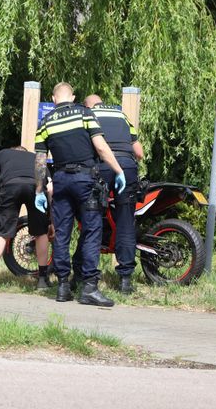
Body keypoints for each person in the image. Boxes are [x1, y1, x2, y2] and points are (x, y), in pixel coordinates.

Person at [34, 82, 125, 306]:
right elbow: (101, 147)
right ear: (73, 97)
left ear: (54, 99)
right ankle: (89, 288)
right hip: (86, 180)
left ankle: (63, 286)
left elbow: (39, 161)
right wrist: (119, 171)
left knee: (62, 234)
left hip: (61, 181)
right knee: (92, 231)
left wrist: (39, 191)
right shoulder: (85, 114)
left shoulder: (44, 123)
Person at [71, 94, 144, 294]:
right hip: (127, 166)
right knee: (126, 221)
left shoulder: (88, 114)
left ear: (87, 105)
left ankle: (81, 274)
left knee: (91, 220)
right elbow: (139, 152)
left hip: (102, 166)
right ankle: (126, 280)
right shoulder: (122, 115)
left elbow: (84, 148)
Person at [0, 146, 53, 293]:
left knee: (3, 232)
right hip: (36, 187)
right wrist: (50, 218)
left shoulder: (2, 153)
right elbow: (50, 188)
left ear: (13, 151)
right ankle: (42, 281)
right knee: (41, 233)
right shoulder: (38, 157)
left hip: (10, 186)